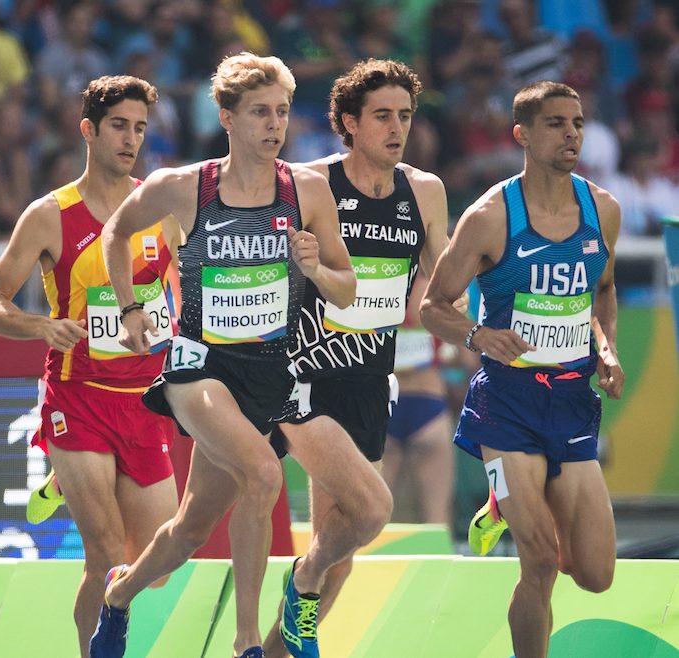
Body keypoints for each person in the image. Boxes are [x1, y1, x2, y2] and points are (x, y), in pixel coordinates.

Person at [89, 52, 356, 658]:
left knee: (189, 528)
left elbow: (347, 289)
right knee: (263, 474)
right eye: (260, 112)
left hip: (269, 368)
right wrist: (131, 307)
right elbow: (117, 233)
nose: (274, 125)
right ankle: (245, 643)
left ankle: (120, 595)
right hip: (199, 364)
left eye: (283, 112)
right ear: (227, 118)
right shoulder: (183, 187)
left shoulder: (307, 190)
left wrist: (315, 268)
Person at [0, 75, 179, 658]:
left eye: (140, 128)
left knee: (157, 566)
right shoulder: (49, 214)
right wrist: (41, 326)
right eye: (119, 125)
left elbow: (180, 290)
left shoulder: (157, 207)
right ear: (88, 130)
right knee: (106, 556)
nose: (130, 139)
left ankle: (63, 481)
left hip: (143, 401)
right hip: (78, 397)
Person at [259, 59, 452, 658]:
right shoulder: (310, 182)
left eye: (406, 116)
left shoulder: (425, 191)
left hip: (371, 376)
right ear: (349, 122)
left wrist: (475, 319)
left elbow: (437, 282)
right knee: (371, 510)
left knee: (337, 554)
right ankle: (296, 582)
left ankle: (268, 648)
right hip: (302, 373)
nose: (398, 129)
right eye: (382, 117)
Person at [421, 81, 621, 658]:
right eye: (556, 123)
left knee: (596, 573)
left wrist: (606, 351)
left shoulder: (601, 210)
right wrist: (480, 335)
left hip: (571, 401)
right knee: (538, 561)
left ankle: (510, 500)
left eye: (578, 123)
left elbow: (601, 291)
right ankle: (513, 496)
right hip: (505, 404)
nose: (572, 134)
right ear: (523, 135)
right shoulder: (489, 216)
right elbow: (434, 307)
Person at [380, 273, 454, 527]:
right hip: (428, 402)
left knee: (377, 516)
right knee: (437, 518)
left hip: (384, 402)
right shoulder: (433, 289)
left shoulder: (377, 288)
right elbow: (465, 353)